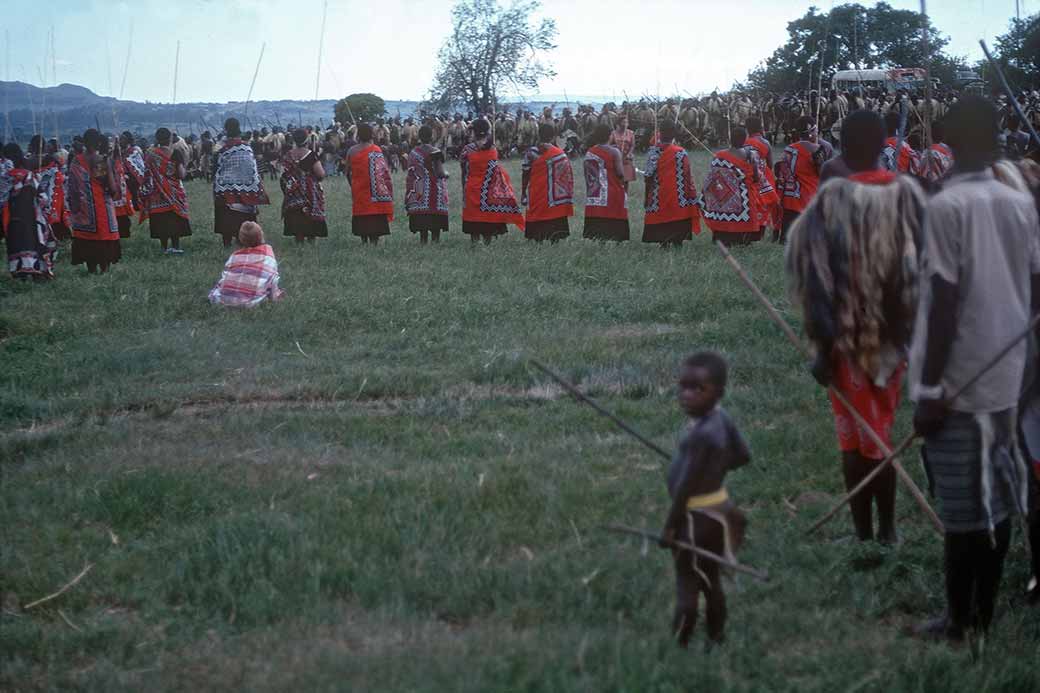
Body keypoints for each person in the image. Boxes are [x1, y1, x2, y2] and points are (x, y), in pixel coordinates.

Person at [910, 96, 1038, 646]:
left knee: (964, 509)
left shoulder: (946, 206)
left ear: (949, 143)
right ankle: (979, 612)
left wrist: (932, 388)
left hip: (960, 383)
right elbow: (1034, 288)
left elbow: (943, 301)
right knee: (997, 498)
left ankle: (962, 620)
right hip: (1008, 376)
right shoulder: (1019, 203)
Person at [786, 109, 926, 544]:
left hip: (844, 345)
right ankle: (881, 530)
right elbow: (924, 274)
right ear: (885, 146)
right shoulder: (910, 196)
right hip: (894, 342)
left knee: (855, 439)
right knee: (875, 432)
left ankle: (872, 532)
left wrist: (822, 348)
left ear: (841, 148)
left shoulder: (830, 201)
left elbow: (814, 283)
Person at [661, 351, 751, 650]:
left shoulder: (700, 437)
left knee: (687, 581)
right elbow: (742, 455)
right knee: (711, 578)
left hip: (695, 518)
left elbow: (685, 488)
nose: (687, 395)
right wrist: (715, 469)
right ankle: (716, 636)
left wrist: (670, 527)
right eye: (683, 386)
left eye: (698, 388)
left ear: (719, 392)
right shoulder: (721, 418)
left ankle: (680, 644)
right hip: (720, 510)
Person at [699, 125, 770, 246]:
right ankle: (744, 239)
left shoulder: (720, 155)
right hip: (744, 198)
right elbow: (757, 178)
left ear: (730, 139)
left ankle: (722, 236)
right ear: (744, 139)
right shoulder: (750, 155)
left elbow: (713, 177)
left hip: (723, 199)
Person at [460, 118, 524, 244]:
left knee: (474, 217)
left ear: (474, 132)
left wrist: (464, 189)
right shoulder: (493, 149)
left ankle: (475, 244)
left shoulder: (467, 150)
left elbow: (464, 171)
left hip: (472, 188)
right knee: (487, 218)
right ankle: (487, 242)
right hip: (489, 188)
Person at [66, 128, 122, 274]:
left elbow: (71, 187)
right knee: (103, 240)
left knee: (87, 241)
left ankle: (91, 269)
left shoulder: (76, 160)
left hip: (82, 210)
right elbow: (111, 188)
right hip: (101, 208)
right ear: (98, 143)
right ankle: (104, 269)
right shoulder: (100, 160)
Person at [1, 143, 56, 279]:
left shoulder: (5, 178)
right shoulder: (30, 176)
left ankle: (19, 273)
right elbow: (43, 199)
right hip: (30, 218)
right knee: (31, 243)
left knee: (15, 245)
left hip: (12, 220)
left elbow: (2, 200)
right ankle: (35, 270)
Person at [213, 118, 270, 247]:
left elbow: (215, 167)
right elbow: (252, 169)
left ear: (226, 129)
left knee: (226, 216)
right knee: (243, 215)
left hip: (225, 189)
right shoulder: (246, 149)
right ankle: (244, 238)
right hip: (245, 189)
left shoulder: (220, 148)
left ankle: (226, 242)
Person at [776, 116, 833, 243]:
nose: (817, 133)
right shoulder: (817, 149)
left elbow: (781, 172)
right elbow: (822, 174)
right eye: (816, 130)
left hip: (789, 198)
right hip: (808, 197)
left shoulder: (788, 148)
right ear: (811, 132)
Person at [642, 121, 700, 246]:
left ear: (660, 134)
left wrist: (647, 196)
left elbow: (648, 177)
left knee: (662, 218)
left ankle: (663, 243)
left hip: (658, 194)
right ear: (674, 135)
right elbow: (687, 175)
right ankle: (677, 242)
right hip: (678, 195)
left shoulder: (653, 152)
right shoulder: (681, 152)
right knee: (677, 219)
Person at [208, 221, 285, 307]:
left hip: (225, 299)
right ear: (261, 236)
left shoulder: (234, 256)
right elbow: (272, 280)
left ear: (241, 238)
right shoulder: (268, 256)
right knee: (272, 281)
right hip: (251, 303)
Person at [140, 128, 191, 254]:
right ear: (170, 139)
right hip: (174, 191)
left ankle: (164, 247)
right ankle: (176, 246)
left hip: (157, 193)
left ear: (157, 139)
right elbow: (181, 174)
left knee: (161, 219)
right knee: (174, 217)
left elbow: (146, 173)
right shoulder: (176, 153)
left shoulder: (150, 154)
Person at [521, 123, 574, 243]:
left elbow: (525, 174)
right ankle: (554, 241)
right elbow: (566, 176)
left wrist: (524, 192)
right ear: (553, 136)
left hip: (535, 191)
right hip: (554, 195)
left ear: (539, 134)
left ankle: (537, 240)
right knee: (553, 215)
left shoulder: (531, 153)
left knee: (536, 214)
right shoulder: (560, 154)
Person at [346, 123, 394, 245]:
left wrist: (353, 185)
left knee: (362, 213)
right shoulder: (377, 149)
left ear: (358, 135)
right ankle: (374, 240)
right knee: (374, 213)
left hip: (358, 188)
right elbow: (384, 172)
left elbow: (347, 172)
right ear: (372, 135)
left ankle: (363, 240)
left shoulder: (352, 151)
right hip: (375, 191)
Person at [582, 124, 629, 242]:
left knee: (599, 223)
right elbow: (620, 174)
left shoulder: (589, 152)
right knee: (615, 218)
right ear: (609, 136)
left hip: (595, 194)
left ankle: (599, 240)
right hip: (612, 191)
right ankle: (617, 240)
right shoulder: (614, 152)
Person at [280, 128, 328, 244]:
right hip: (309, 192)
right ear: (307, 140)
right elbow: (320, 173)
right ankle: (311, 240)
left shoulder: (288, 155)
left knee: (296, 215)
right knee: (310, 215)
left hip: (293, 192)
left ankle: (299, 239)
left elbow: (283, 174)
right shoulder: (311, 155)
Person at [405, 125, 450, 244]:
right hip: (434, 190)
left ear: (419, 136)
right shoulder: (435, 151)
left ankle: (423, 241)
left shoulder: (413, 152)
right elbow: (440, 173)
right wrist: (447, 174)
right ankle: (435, 241)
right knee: (435, 223)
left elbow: (411, 172)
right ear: (432, 136)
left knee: (422, 224)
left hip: (419, 191)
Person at [743, 116, 782, 230]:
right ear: (760, 128)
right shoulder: (766, 142)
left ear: (747, 129)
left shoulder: (744, 142)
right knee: (765, 204)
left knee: (752, 203)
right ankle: (763, 227)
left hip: (748, 176)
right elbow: (770, 164)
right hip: (765, 176)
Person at [919, 119, 955, 185]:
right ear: (944, 135)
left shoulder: (927, 153)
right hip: (948, 187)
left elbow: (923, 176)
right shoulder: (950, 151)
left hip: (933, 190)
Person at [609, 114, 636, 184]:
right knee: (617, 178)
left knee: (626, 178)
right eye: (623, 122)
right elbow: (609, 145)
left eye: (627, 122)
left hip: (626, 158)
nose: (625, 124)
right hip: (616, 158)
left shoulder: (631, 133)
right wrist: (614, 148)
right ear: (619, 123)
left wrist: (629, 154)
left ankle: (625, 194)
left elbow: (632, 145)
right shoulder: (613, 133)